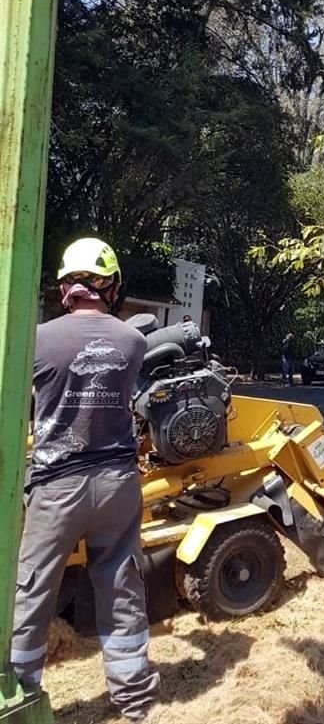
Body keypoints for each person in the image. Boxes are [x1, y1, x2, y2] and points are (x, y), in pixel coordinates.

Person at [12, 238, 160, 721]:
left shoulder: (35, 340)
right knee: (120, 586)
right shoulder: (132, 342)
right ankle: (134, 700)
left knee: (33, 589)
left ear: (64, 286)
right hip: (117, 483)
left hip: (56, 486)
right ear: (110, 286)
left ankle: (21, 694)